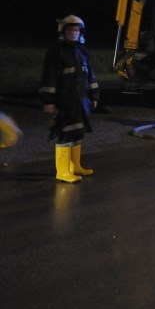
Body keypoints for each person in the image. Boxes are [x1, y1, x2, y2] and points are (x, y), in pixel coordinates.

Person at [39, 15, 100, 183]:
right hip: (64, 101)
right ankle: (62, 172)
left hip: (81, 102)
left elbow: (91, 77)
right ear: (63, 32)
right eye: (70, 30)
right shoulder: (56, 52)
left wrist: (94, 95)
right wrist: (49, 100)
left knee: (77, 133)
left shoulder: (83, 52)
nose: (74, 33)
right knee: (64, 134)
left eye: (76, 30)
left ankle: (75, 166)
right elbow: (49, 77)